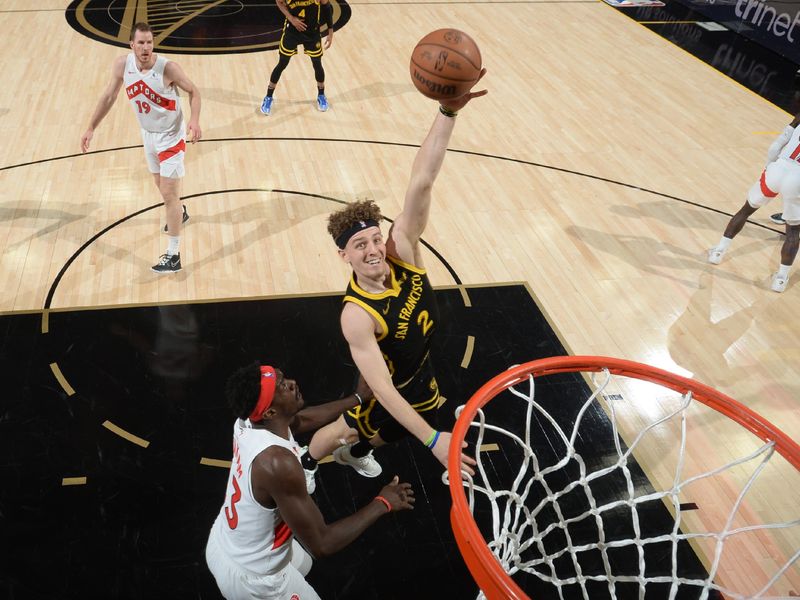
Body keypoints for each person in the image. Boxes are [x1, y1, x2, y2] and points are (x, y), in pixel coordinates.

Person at [299, 74, 488, 486]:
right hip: (389, 382)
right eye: (359, 246)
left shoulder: (402, 250)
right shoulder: (356, 316)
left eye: (373, 239)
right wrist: (434, 441)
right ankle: (308, 460)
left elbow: (422, 180)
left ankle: (357, 454)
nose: (371, 250)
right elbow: (383, 391)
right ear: (343, 255)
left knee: (411, 420)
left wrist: (449, 111)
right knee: (346, 428)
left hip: (417, 369)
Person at [206, 361, 415, 600]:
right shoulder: (278, 463)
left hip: (226, 540)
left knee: (303, 565)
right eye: (283, 386)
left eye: (284, 379)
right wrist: (383, 502)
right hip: (255, 582)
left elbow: (300, 420)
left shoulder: (247, 422)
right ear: (270, 412)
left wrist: (357, 398)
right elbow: (322, 544)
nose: (292, 384)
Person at [80, 22, 201, 274]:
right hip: (148, 135)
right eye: (141, 43)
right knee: (163, 189)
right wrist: (91, 127)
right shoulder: (122, 65)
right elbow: (108, 97)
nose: (146, 47)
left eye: (149, 42)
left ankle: (174, 255)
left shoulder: (167, 68)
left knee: (168, 193)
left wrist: (195, 120)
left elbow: (194, 91)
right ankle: (180, 211)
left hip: (171, 136)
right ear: (131, 45)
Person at [708, 113, 800, 292]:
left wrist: (768, 167)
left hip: (778, 169)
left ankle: (719, 251)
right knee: (793, 232)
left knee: (746, 210)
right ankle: (780, 279)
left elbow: (775, 147)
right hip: (797, 179)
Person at [260, 0, 334, 115]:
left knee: (317, 63)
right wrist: (292, 19)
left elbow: (327, 6)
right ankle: (268, 96)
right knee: (282, 63)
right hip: (292, 31)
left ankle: (321, 95)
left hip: (312, 32)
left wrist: (330, 31)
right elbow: (279, 3)